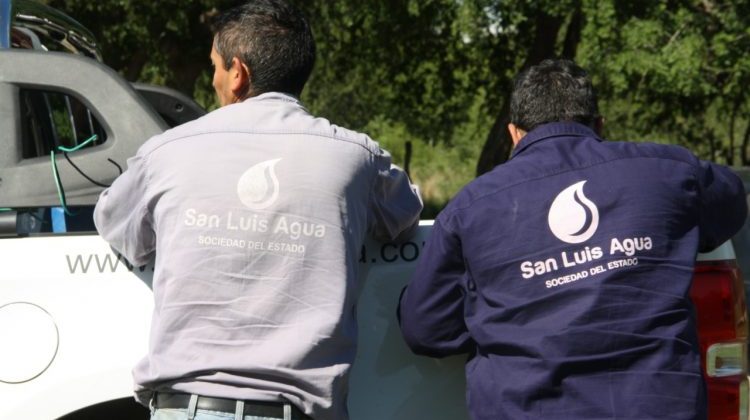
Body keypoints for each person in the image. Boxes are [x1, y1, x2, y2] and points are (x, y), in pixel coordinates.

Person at [94, 1, 422, 419]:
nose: (212, 79)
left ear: (238, 73)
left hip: (189, 408)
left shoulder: (167, 152)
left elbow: (116, 225)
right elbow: (404, 215)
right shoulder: (355, 157)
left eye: (214, 66)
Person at [398, 59, 747, 419]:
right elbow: (731, 206)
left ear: (514, 134)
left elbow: (425, 329)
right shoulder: (671, 171)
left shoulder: (468, 210)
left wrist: (494, 320)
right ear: (599, 125)